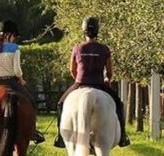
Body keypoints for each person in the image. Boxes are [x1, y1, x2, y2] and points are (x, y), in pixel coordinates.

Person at [54, 17, 130, 148]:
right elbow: (109, 71)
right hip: (99, 84)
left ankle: (61, 137)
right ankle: (123, 136)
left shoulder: (77, 48)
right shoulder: (104, 49)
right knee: (119, 104)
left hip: (80, 83)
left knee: (61, 103)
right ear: (97, 31)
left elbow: (72, 70)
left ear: (83, 32)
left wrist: (78, 79)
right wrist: (107, 79)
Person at [0, 20, 45, 144]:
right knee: (31, 102)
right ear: (9, 34)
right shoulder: (14, 48)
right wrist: (21, 78)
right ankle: (33, 132)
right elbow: (17, 70)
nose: (14, 39)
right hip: (11, 81)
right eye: (14, 36)